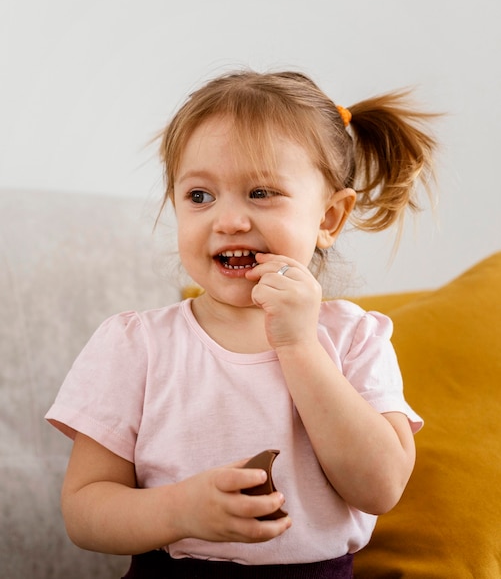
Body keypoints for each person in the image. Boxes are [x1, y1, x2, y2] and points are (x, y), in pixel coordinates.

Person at [46, 69, 437, 578]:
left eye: (261, 192)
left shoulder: (354, 338)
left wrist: (299, 344)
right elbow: (84, 512)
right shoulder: (137, 345)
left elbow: (380, 488)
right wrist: (181, 510)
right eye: (200, 197)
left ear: (329, 219)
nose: (228, 221)